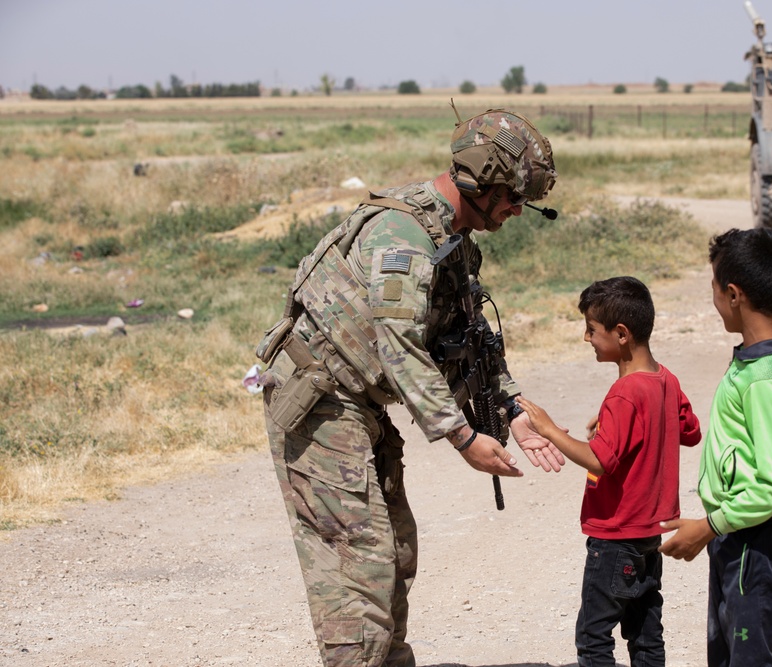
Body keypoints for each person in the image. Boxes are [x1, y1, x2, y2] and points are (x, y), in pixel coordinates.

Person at [256, 108, 565, 667]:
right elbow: (399, 345)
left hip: (359, 407)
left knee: (396, 549)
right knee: (360, 566)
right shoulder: (401, 238)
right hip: (323, 403)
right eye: (514, 197)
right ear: (482, 179)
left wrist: (509, 407)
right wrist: (462, 437)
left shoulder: (452, 238)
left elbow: (463, 338)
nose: (518, 211)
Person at [515, 275, 702, 667]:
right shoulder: (665, 379)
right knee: (646, 633)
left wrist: (548, 428)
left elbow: (600, 460)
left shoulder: (624, 394)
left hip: (615, 537)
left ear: (621, 334)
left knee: (594, 637)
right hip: (650, 535)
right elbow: (690, 431)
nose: (586, 338)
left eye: (591, 330)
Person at [658, 227, 772, 667]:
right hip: (738, 534)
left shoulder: (764, 379)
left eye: (713, 290)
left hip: (754, 541)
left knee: (747, 659)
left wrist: (710, 525)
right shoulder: (756, 359)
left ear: (734, 294)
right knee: (725, 655)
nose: (713, 300)